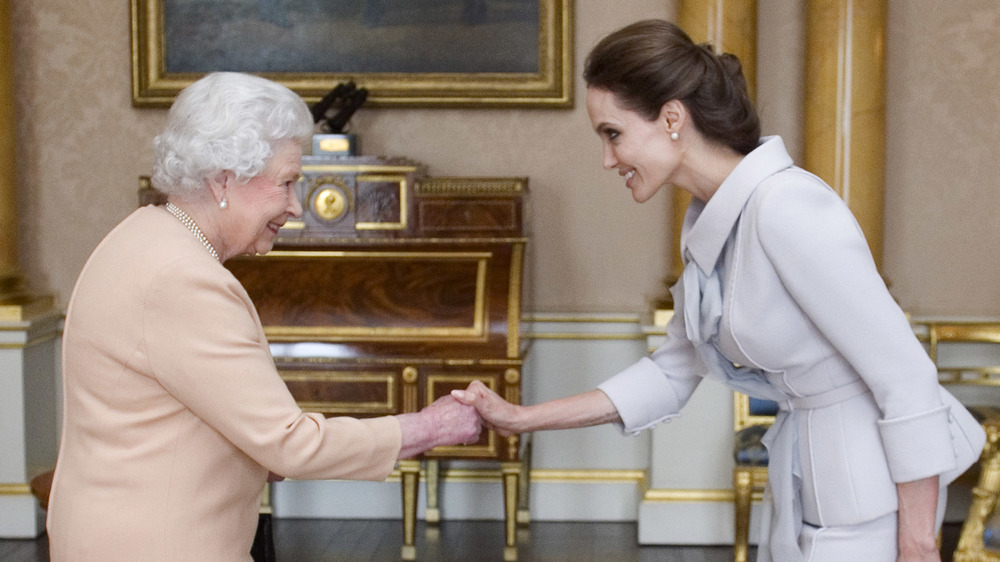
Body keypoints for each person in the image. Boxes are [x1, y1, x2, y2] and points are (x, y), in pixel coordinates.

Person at [452, 19, 984, 562]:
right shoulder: (713, 227)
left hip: (872, 502)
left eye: (613, 133)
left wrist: (918, 544)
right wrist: (522, 418)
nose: (608, 160)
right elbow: (670, 371)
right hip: (806, 490)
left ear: (672, 117)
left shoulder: (786, 207)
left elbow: (906, 374)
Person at [46, 72, 481, 561]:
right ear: (224, 179)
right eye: (287, 183)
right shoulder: (184, 278)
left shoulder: (143, 234)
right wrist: (427, 428)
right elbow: (288, 446)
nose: (295, 207)